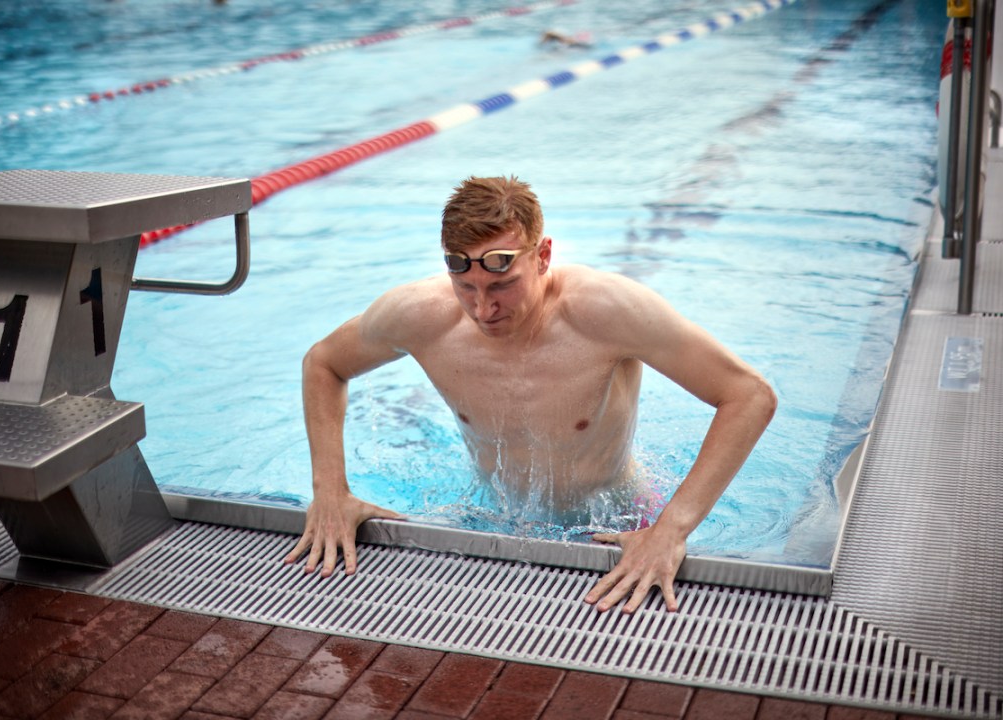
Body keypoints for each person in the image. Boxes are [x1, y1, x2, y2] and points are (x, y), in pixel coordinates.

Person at [284, 176, 776, 614]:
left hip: (621, 521)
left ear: (542, 257)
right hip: (490, 516)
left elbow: (749, 394)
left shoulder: (605, 312)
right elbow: (323, 363)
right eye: (466, 285)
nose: (482, 308)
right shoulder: (422, 316)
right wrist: (329, 492)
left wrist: (671, 529)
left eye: (502, 285)